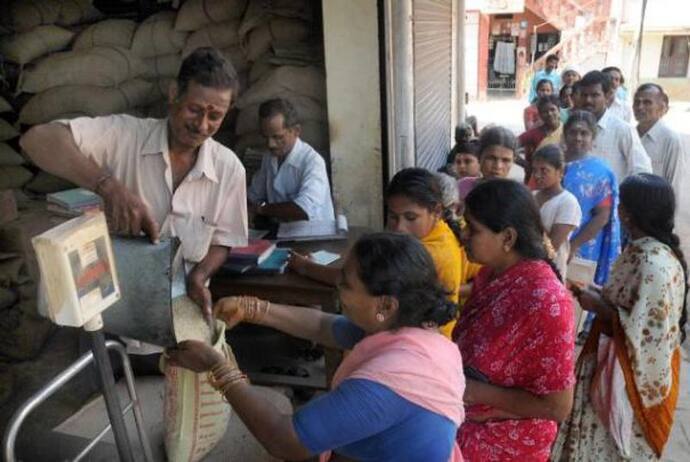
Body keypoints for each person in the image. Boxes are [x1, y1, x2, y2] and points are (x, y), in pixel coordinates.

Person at [20, 47, 248, 363]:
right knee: (106, 405)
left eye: (215, 116)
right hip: (112, 326)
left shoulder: (229, 169)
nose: (202, 125)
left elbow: (224, 240)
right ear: (173, 94)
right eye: (195, 110)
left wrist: (200, 276)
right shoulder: (125, 136)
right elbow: (36, 139)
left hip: (182, 329)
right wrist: (108, 186)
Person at [168, 233, 466, 462]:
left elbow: (283, 439)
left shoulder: (391, 381)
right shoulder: (415, 333)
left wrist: (219, 368)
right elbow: (324, 326)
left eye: (346, 285)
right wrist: (254, 308)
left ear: (385, 304)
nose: (338, 289)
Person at [551, 173, 688, 461]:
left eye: (620, 203)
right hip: (612, 364)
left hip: (628, 382)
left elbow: (646, 334)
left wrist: (599, 307)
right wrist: (600, 294)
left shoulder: (652, 263)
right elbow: (636, 306)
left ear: (625, 213)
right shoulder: (644, 251)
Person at [453, 178, 575, 461]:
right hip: (468, 409)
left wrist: (472, 391)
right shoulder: (491, 274)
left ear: (507, 238)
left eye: (473, 228)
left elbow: (557, 407)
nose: (464, 235)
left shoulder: (545, 300)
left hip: (505, 438)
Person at [290, 168, 481, 338]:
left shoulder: (429, 252)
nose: (399, 228)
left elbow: (350, 278)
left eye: (411, 217)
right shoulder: (439, 230)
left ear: (437, 211)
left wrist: (305, 267)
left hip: (418, 339)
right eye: (393, 217)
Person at [247, 97, 334, 225]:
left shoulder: (312, 162)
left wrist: (261, 209)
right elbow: (253, 195)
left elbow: (304, 209)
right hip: (284, 234)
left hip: (313, 237)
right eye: (266, 137)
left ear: (296, 131)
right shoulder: (269, 158)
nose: (271, 144)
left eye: (278, 137)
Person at [562, 110, 621, 285]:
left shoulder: (600, 172)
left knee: (576, 297)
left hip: (583, 246)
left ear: (592, 137)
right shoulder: (551, 162)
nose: (578, 138)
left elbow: (602, 216)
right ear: (565, 134)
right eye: (573, 132)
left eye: (584, 133)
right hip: (549, 241)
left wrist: (573, 246)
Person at [575, 70, 651, 183]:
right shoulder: (573, 128)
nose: (588, 100)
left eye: (594, 95)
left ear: (607, 96)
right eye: (584, 95)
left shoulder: (623, 130)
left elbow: (642, 170)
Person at [531, 144, 582, 278]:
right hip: (526, 265)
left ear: (560, 171)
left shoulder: (567, 202)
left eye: (544, 170)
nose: (537, 175)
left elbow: (551, 249)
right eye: (534, 170)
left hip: (550, 271)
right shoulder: (531, 196)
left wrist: (531, 219)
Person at [633, 83, 686, 195]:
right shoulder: (629, 135)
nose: (640, 107)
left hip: (655, 208)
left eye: (647, 102)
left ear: (661, 107)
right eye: (637, 102)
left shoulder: (670, 139)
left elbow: (674, 184)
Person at [457, 125, 517, 203]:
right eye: (491, 158)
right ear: (479, 156)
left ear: (513, 161)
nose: (498, 166)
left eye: (506, 160)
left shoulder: (516, 198)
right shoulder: (462, 188)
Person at [518, 95, 563, 184]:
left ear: (559, 110)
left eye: (552, 109)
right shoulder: (534, 134)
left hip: (561, 179)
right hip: (537, 180)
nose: (549, 114)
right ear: (540, 115)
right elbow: (509, 146)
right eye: (545, 112)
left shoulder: (568, 131)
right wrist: (526, 165)